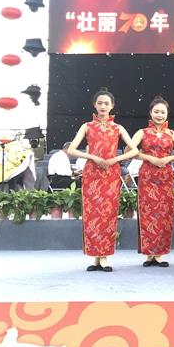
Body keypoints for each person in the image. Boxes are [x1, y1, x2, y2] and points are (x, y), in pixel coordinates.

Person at [67, 88, 138, 272]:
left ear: (112, 106)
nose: (103, 106)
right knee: (92, 214)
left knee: (108, 214)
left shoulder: (118, 128)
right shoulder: (87, 126)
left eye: (106, 103)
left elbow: (134, 150)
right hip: (92, 174)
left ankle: (104, 256)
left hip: (111, 174)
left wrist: (115, 159)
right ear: (94, 105)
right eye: (100, 103)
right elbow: (71, 149)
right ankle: (95, 257)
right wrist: (92, 156)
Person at [130, 96, 174, 268]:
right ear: (150, 113)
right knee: (147, 213)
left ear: (167, 114)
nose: (159, 115)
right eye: (156, 112)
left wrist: (169, 158)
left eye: (162, 112)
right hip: (147, 176)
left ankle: (160, 254)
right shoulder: (142, 132)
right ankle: (149, 254)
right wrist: (149, 158)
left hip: (165, 177)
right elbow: (129, 151)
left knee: (164, 214)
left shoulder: (172, 134)